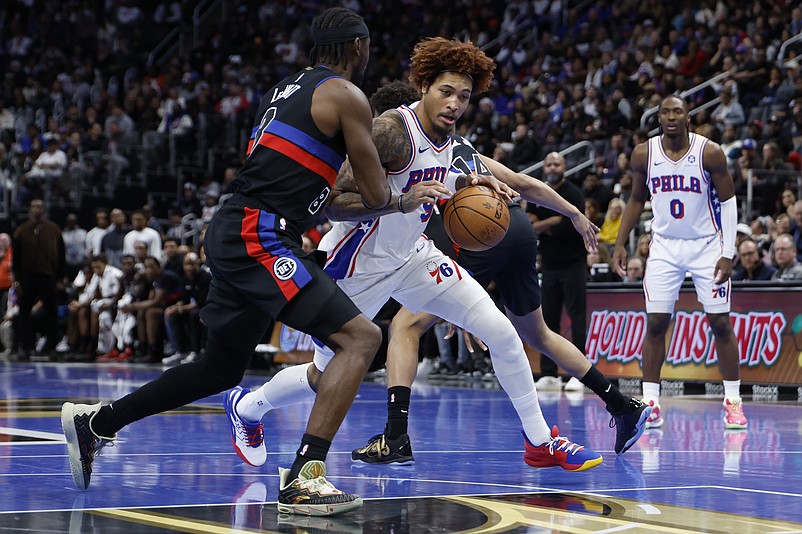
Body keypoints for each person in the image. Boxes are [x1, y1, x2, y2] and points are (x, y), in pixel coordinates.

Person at [61, 7, 392, 518]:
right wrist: (407, 190)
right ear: (357, 46)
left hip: (240, 226)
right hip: (259, 234)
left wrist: (361, 187)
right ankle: (306, 476)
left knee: (220, 368)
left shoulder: (282, 93)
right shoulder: (349, 96)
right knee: (362, 338)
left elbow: (319, 199)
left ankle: (98, 424)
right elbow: (373, 193)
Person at [226, 37, 605, 483]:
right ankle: (247, 407)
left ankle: (540, 443)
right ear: (423, 85)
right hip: (359, 262)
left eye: (464, 96)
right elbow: (330, 199)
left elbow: (457, 178)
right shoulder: (391, 130)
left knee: (502, 333)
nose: (455, 103)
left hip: (413, 258)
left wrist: (474, 186)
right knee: (323, 374)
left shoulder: (454, 142)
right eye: (446, 91)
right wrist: (400, 202)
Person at [612, 95, 747, 430]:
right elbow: (636, 199)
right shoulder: (644, 152)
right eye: (665, 112)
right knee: (656, 324)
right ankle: (650, 403)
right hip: (664, 248)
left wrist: (728, 251)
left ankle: (733, 401)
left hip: (706, 246)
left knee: (720, 324)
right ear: (658, 118)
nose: (671, 117)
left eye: (677, 111)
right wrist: (618, 243)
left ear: (689, 117)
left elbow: (729, 203)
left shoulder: (710, 151)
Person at [527, 153, 590, 391]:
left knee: (577, 319)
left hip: (573, 264)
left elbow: (572, 227)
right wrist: (553, 221)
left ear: (565, 167)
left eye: (557, 164)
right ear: (544, 167)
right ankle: (549, 373)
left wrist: (547, 224)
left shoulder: (573, 193)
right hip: (549, 266)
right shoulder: (538, 191)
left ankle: (581, 374)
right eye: (548, 163)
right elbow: (530, 223)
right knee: (548, 321)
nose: (552, 167)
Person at [12, 199, 65, 360]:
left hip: (48, 276)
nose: (37, 210)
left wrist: (61, 278)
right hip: (27, 277)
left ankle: (51, 347)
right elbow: (16, 259)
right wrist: (17, 281)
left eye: (40, 207)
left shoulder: (53, 229)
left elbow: (61, 255)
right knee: (24, 313)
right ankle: (25, 347)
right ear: (29, 209)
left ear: (44, 210)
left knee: (51, 312)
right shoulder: (21, 231)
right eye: (34, 206)